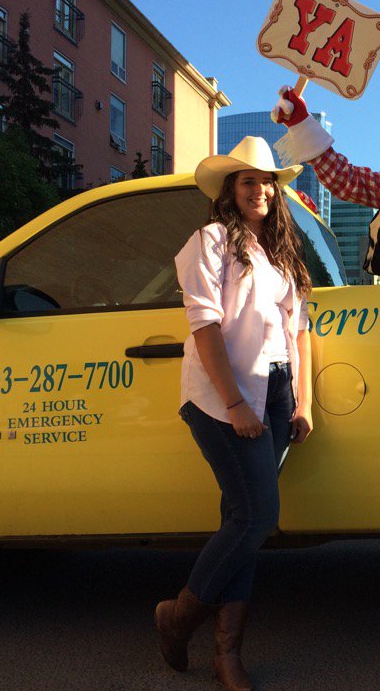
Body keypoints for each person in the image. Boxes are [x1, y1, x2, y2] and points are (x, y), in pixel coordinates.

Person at [155, 136, 313, 691]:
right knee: (257, 517)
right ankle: (177, 618)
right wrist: (234, 403)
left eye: (268, 181)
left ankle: (227, 655)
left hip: (274, 392)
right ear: (229, 191)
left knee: (240, 520)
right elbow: (205, 327)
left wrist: (302, 400)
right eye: (249, 180)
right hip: (225, 398)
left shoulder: (279, 254)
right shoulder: (211, 240)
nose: (261, 189)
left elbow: (298, 330)